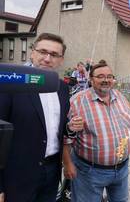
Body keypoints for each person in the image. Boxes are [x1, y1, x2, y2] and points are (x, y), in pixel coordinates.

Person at [0, 33, 83, 202]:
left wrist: (70, 127)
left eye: (54, 54)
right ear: (32, 53)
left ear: (61, 59)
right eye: (42, 52)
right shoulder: (12, 82)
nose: (47, 58)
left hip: (51, 171)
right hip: (17, 175)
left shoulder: (62, 88)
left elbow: (54, 126)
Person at [62, 61, 130, 202]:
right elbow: (66, 136)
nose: (106, 80)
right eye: (100, 76)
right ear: (91, 79)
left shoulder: (119, 96)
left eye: (109, 76)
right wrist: (67, 163)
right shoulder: (77, 101)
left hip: (121, 169)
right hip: (90, 172)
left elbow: (128, 118)